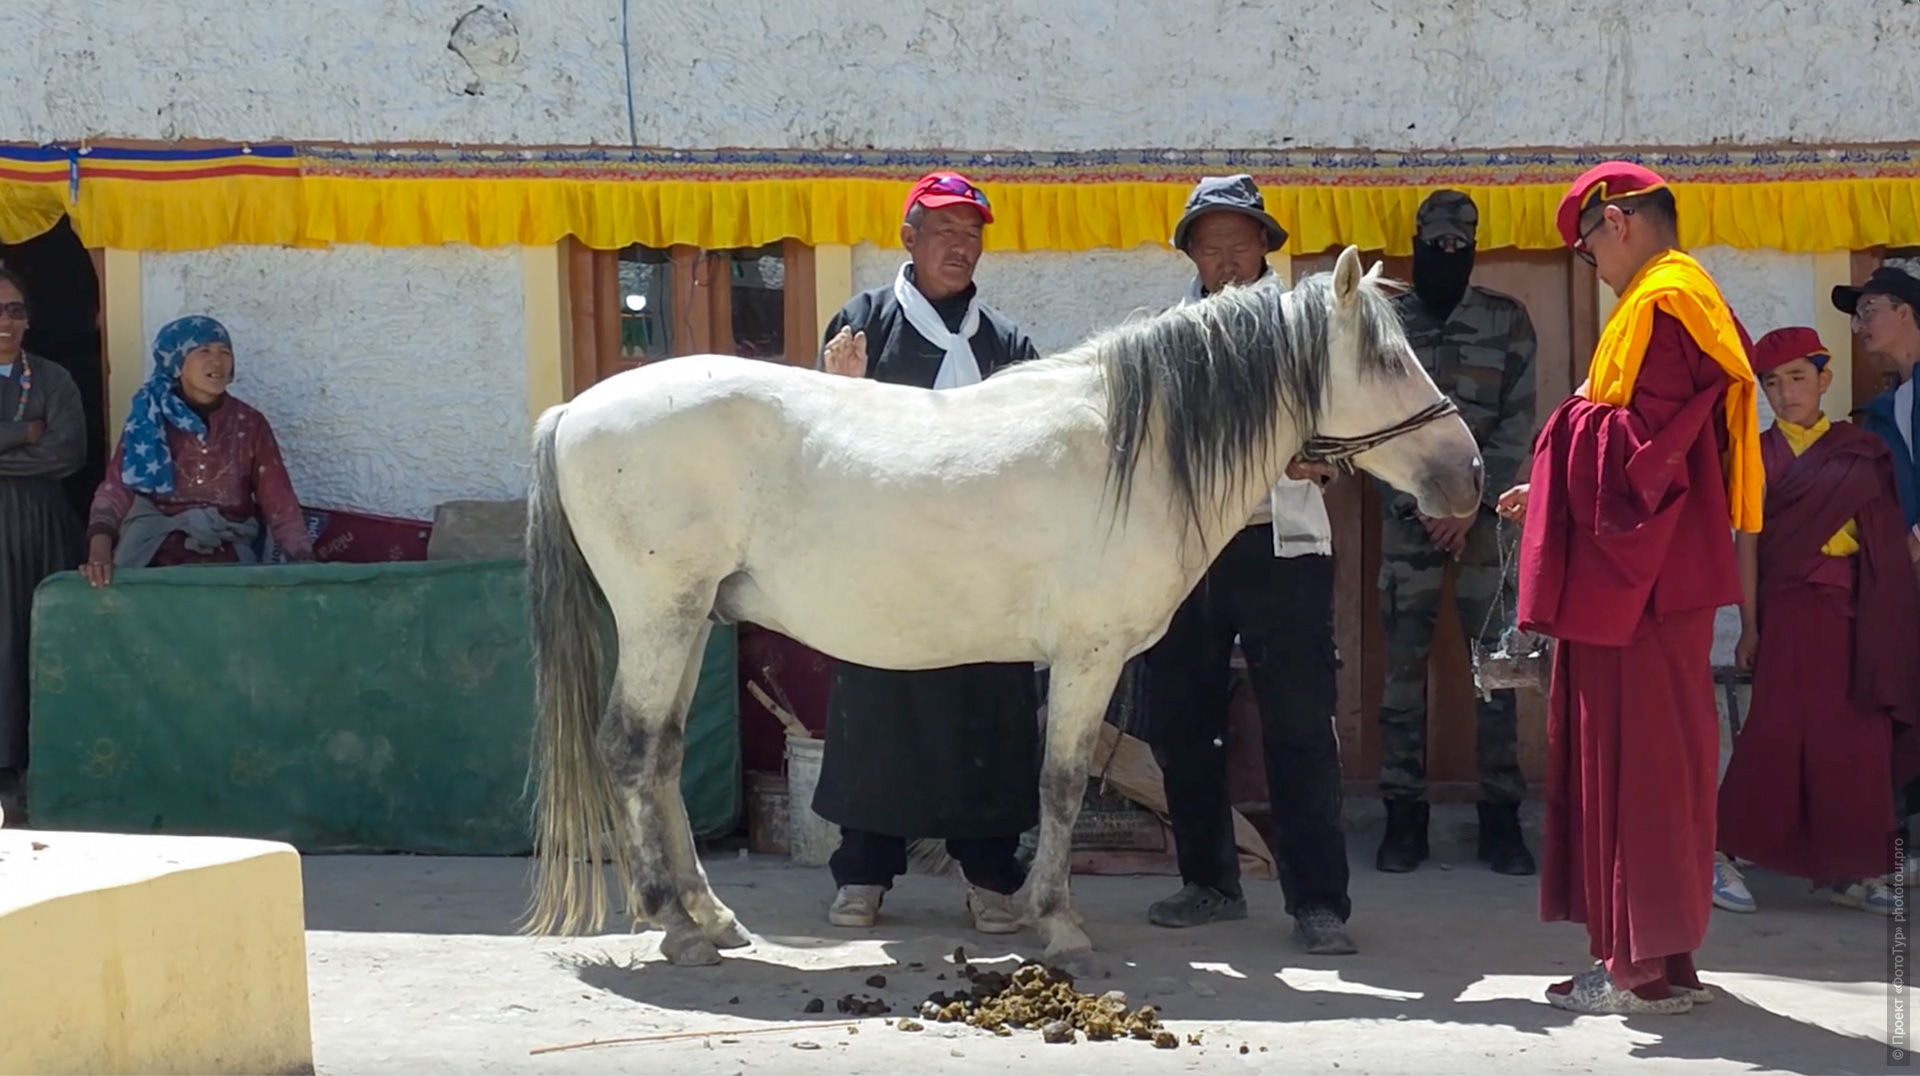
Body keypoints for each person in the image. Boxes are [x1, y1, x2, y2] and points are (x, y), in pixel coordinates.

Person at [1497, 161, 1764, 1015]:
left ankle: (1639, 976)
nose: (1595, 268)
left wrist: (1556, 445)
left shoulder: (1663, 303)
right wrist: (1556, 485)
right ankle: (1661, 963)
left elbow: (1642, 454)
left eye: (1587, 250)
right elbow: (1648, 447)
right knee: (1656, 766)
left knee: (1639, 769)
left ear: (1619, 222)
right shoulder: (1674, 302)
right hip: (1654, 578)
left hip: (1639, 587)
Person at [809, 172, 1041, 934]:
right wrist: (837, 393)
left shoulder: (1005, 343)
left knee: (990, 716)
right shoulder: (863, 323)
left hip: (983, 567)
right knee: (879, 712)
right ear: (908, 240)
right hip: (888, 562)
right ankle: (864, 875)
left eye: (971, 234)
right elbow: (819, 445)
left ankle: (992, 878)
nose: (960, 246)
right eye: (943, 232)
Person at [1140, 174, 1355, 955]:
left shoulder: (1310, 328)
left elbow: (1346, 429)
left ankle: (1319, 903)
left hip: (1281, 546)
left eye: (1240, 244)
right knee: (1181, 722)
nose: (1226, 260)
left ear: (1266, 246)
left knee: (1298, 724)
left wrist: (1322, 458)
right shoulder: (1166, 335)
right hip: (1189, 549)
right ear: (1191, 253)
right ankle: (1208, 883)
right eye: (1210, 245)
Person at [1711, 327, 1918, 917]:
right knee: (1776, 735)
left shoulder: (1861, 449)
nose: (1785, 392)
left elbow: (1882, 540)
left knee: (1858, 741)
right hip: (1791, 613)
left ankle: (1849, 870)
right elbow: (1746, 543)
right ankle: (1719, 851)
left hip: (1856, 611)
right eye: (1771, 383)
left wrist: (1892, 621)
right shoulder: (1757, 452)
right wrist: (1749, 626)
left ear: (1824, 380)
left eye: (1798, 377)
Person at [1376, 190, 1539, 876]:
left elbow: (1518, 422)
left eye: (1458, 246)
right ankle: (1402, 816)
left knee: (1497, 671)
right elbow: (1371, 424)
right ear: (1416, 243)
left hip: (1487, 522)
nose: (1446, 255)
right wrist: (1426, 502)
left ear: (1472, 249)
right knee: (1401, 671)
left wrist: (1466, 505)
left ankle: (1501, 819)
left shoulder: (1506, 321)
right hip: (1407, 519)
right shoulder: (1384, 322)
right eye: (1434, 244)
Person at [81, 316, 313, 586]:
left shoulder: (250, 423)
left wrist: (304, 562)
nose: (217, 362)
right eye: (203, 351)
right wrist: (99, 547)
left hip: (227, 561)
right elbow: (116, 488)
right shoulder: (149, 417)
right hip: (155, 557)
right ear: (177, 363)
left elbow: (279, 501)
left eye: (225, 352)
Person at [0, 267, 86, 820]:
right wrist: (18, 434)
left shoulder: (54, 379)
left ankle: (36, 765)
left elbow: (67, 451)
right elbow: (38, 443)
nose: (5, 322)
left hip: (39, 527)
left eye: (14, 310)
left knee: (36, 639)